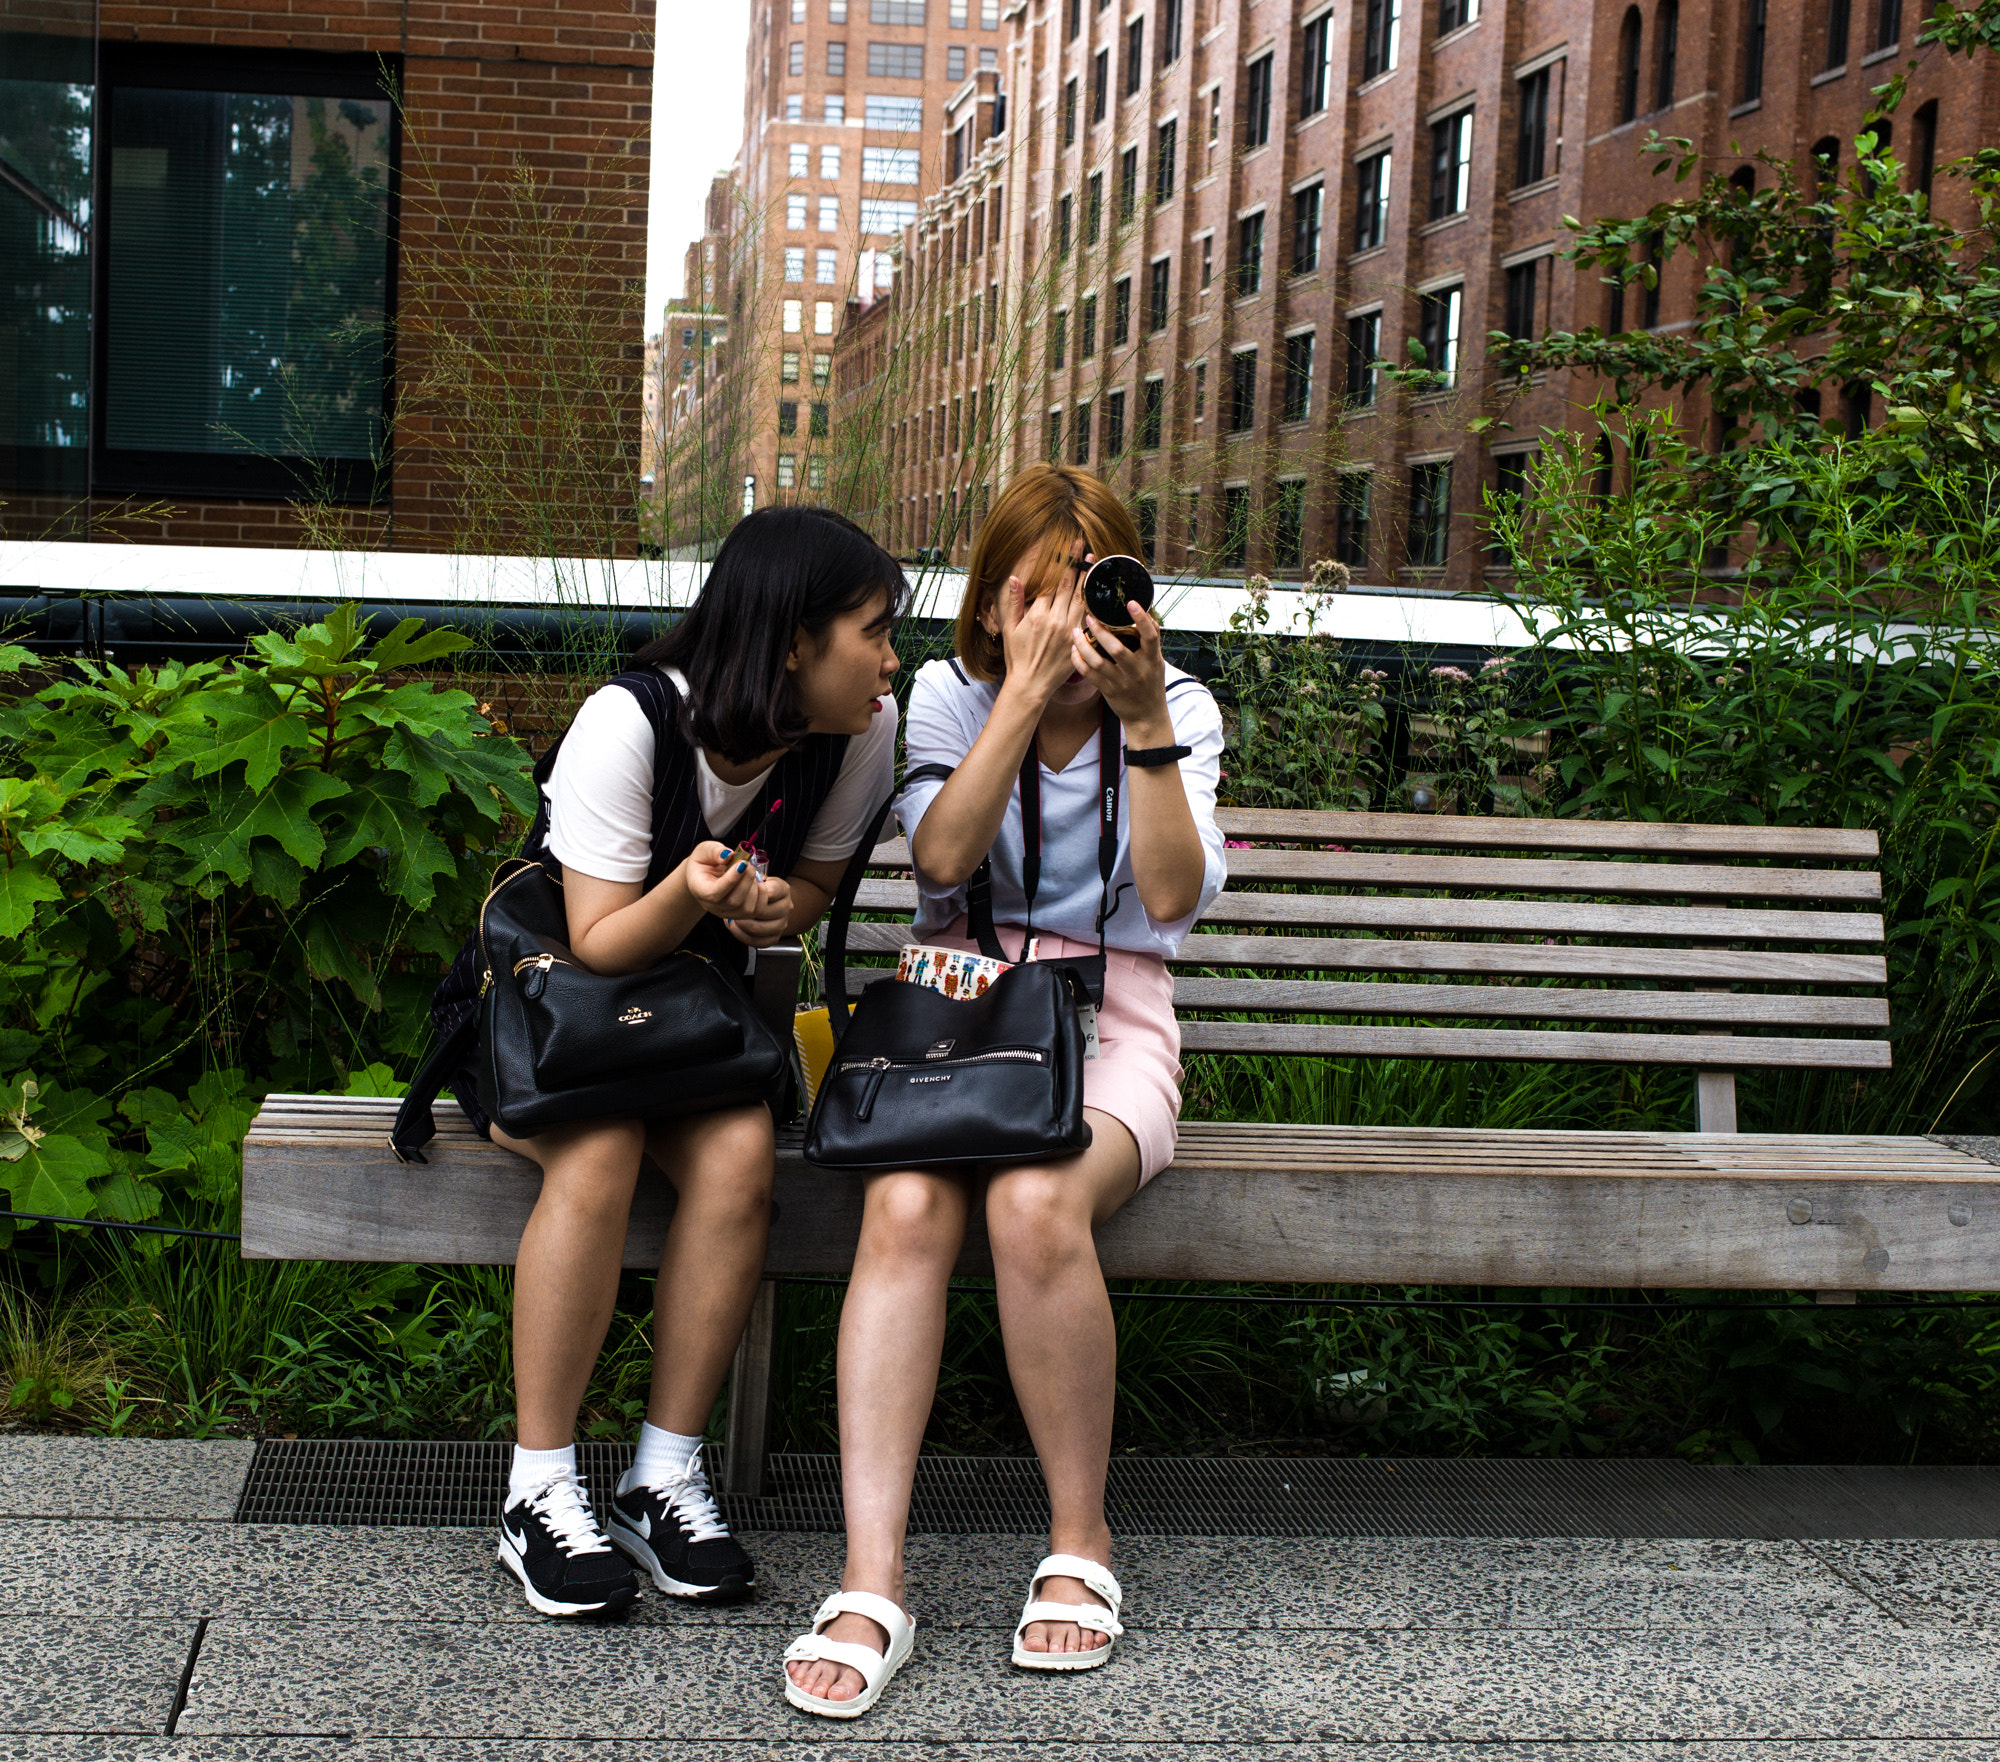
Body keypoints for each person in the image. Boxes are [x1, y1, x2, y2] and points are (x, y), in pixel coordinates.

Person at [782, 465, 1226, 1715]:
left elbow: (1176, 896)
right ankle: (873, 1576)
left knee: (1033, 1200)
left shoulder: (1177, 704)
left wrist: (1137, 721)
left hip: (1111, 1019)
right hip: (951, 1016)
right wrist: (1021, 697)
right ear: (988, 608)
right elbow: (939, 856)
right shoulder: (942, 695)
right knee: (908, 1206)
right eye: (1036, 601)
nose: (1065, 628)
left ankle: (1078, 1543)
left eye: (1092, 594)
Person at [463, 506, 903, 1619]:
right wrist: (694, 892)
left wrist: (763, 907)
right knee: (600, 1148)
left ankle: (661, 1476)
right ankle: (537, 1488)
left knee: (742, 1153)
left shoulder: (860, 732)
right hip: (550, 1021)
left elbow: (807, 889)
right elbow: (601, 939)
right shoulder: (630, 720)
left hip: (687, 1028)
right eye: (872, 629)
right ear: (794, 640)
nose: (891, 660)